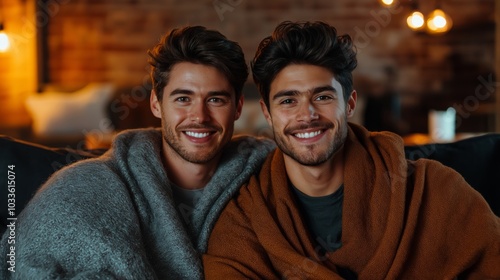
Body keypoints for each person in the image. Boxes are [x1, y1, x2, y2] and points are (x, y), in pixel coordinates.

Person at [203, 21, 500, 279]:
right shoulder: (245, 219)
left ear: (350, 104)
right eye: (288, 101)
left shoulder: (434, 189)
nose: (306, 115)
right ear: (267, 113)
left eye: (322, 96)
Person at [0, 26, 275, 279]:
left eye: (216, 99)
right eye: (183, 99)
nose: (199, 116)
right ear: (156, 104)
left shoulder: (263, 178)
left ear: (238, 107)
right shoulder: (85, 185)